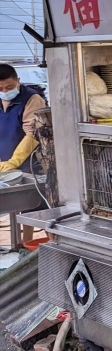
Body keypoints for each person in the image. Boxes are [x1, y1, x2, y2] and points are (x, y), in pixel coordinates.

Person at [0, 63, 46, 245]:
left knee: (31, 206)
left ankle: (25, 246)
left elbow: (32, 134)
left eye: (9, 87)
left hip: (31, 161)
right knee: (10, 205)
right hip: (4, 156)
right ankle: (15, 245)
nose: (5, 91)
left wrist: (14, 161)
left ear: (18, 81)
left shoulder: (32, 99)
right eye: (0, 88)